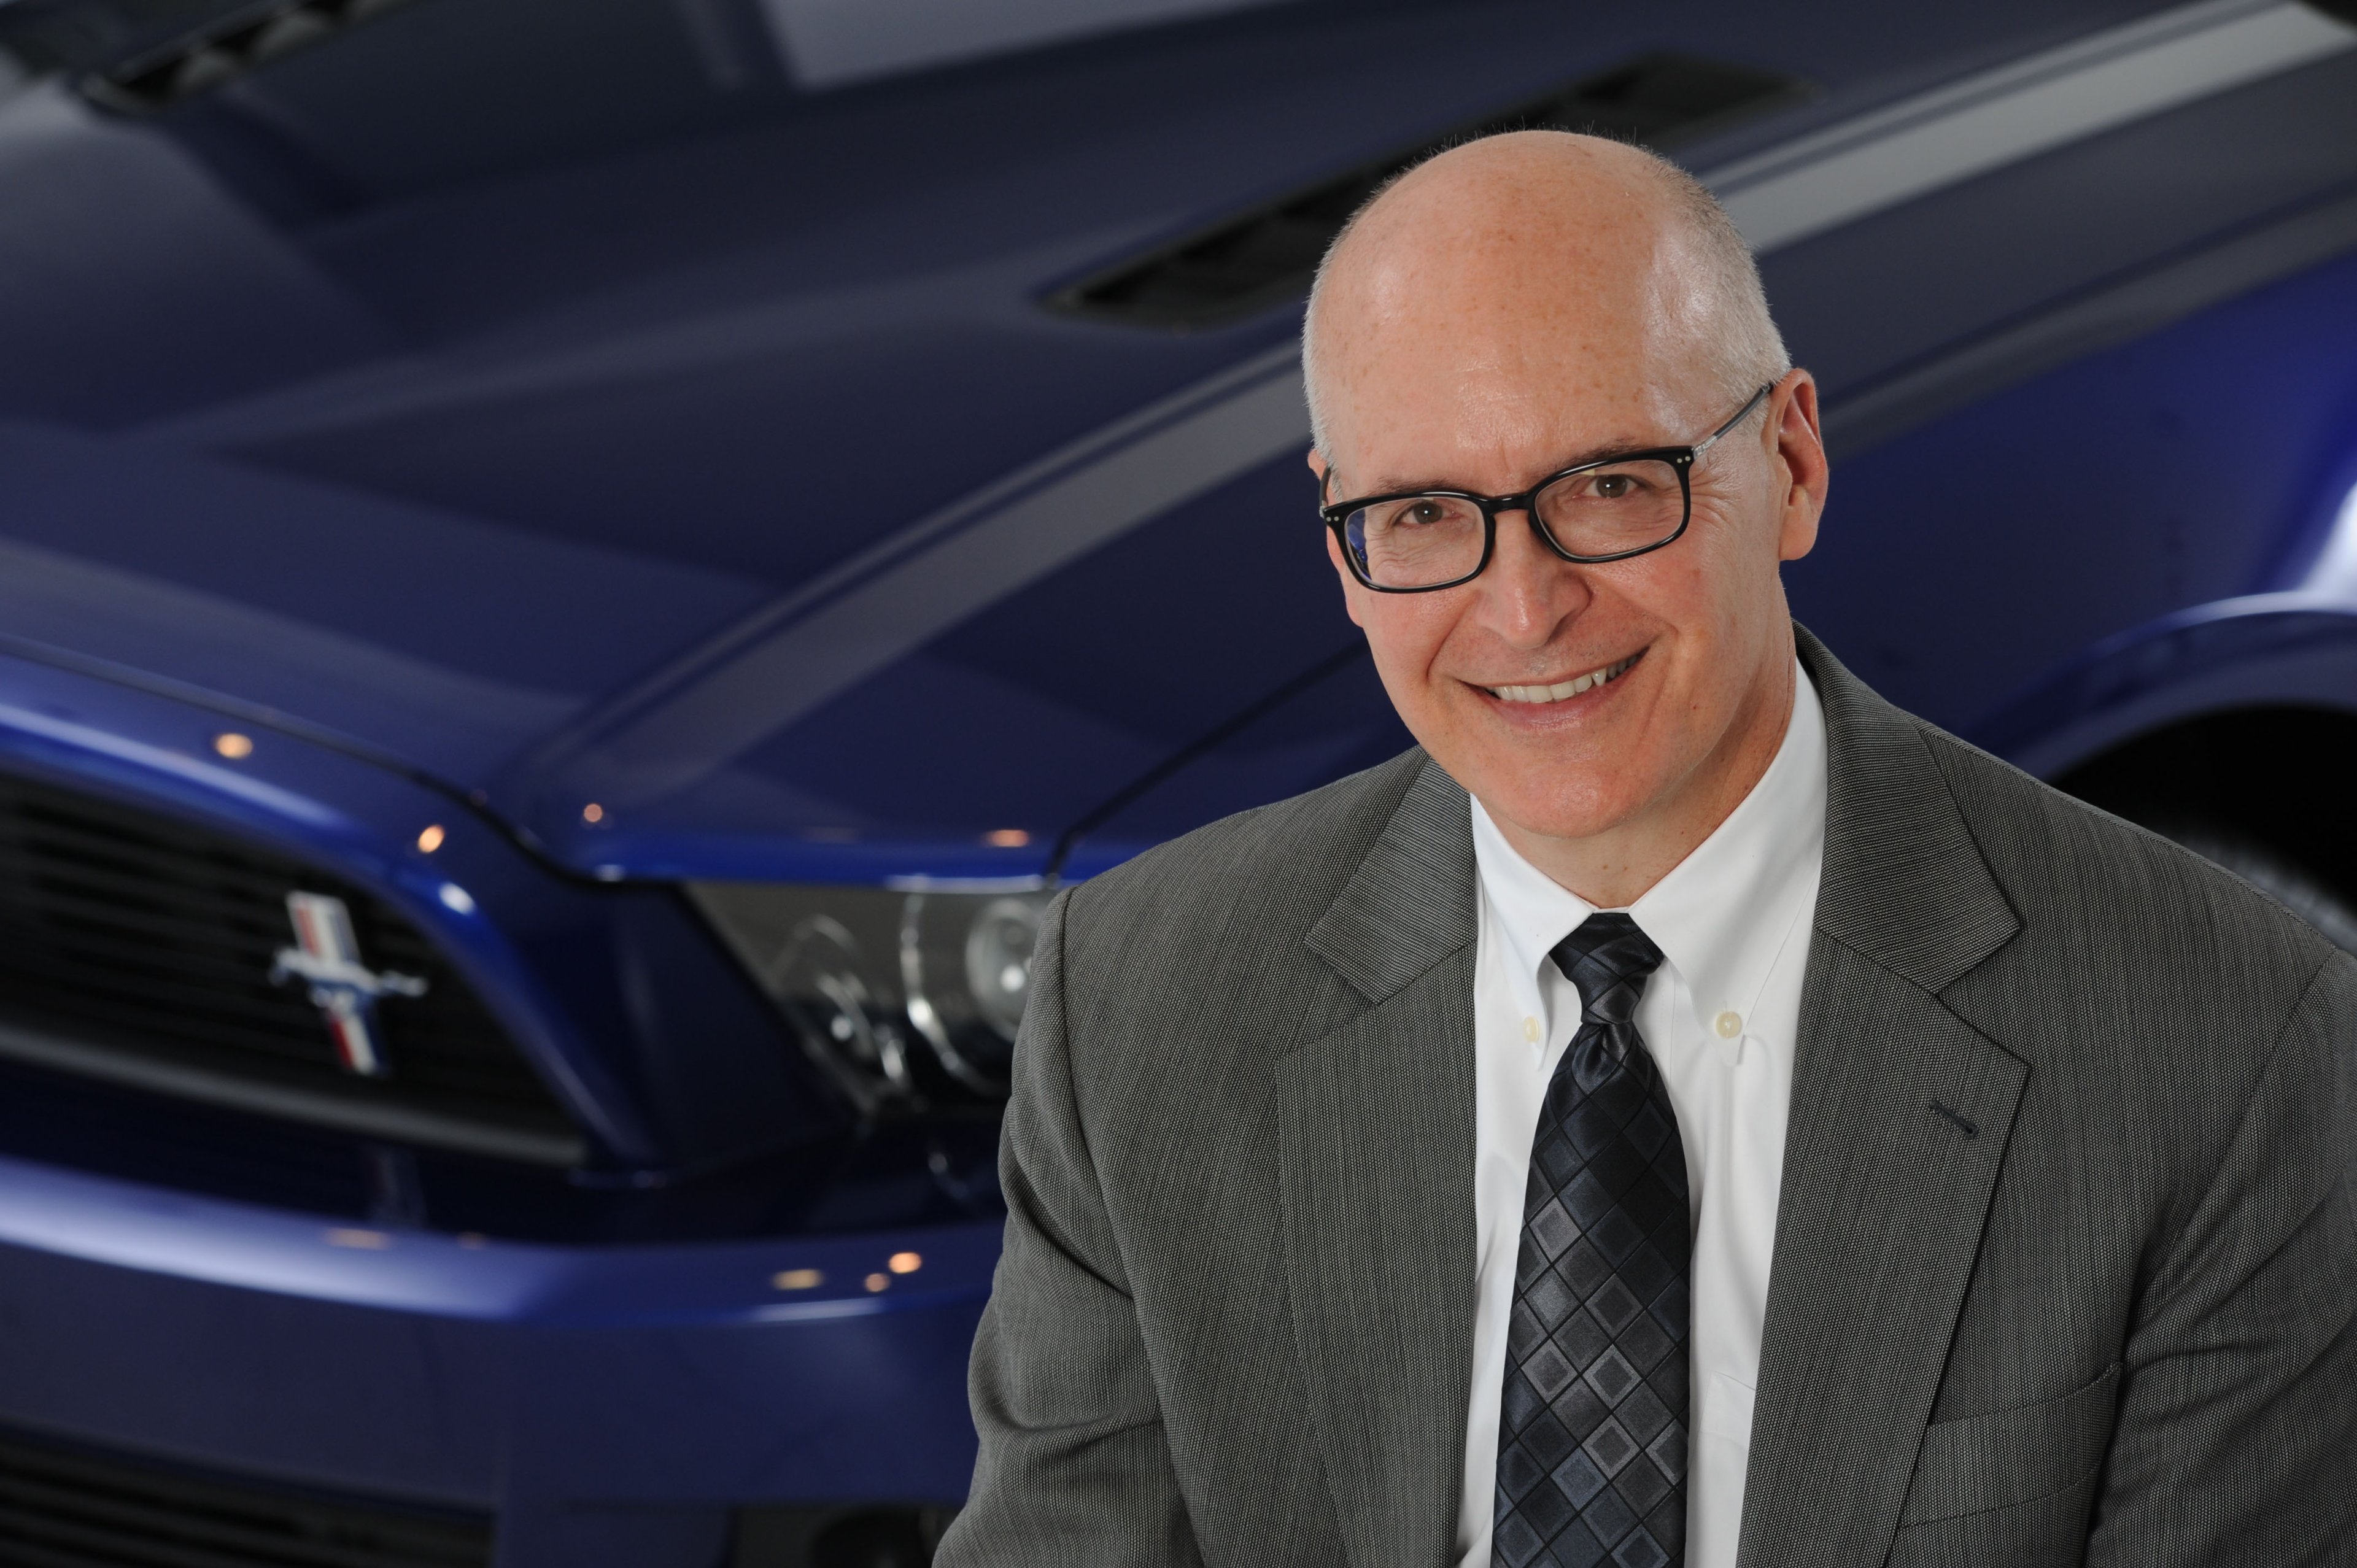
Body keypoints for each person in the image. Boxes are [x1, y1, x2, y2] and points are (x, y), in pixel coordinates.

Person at [932, 131, 2357, 1568]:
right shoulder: (1139, 1005)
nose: (1524, 612)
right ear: (1340, 542)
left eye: (1609, 484)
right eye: (1421, 514)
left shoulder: (2230, 1052)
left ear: (1791, 464)